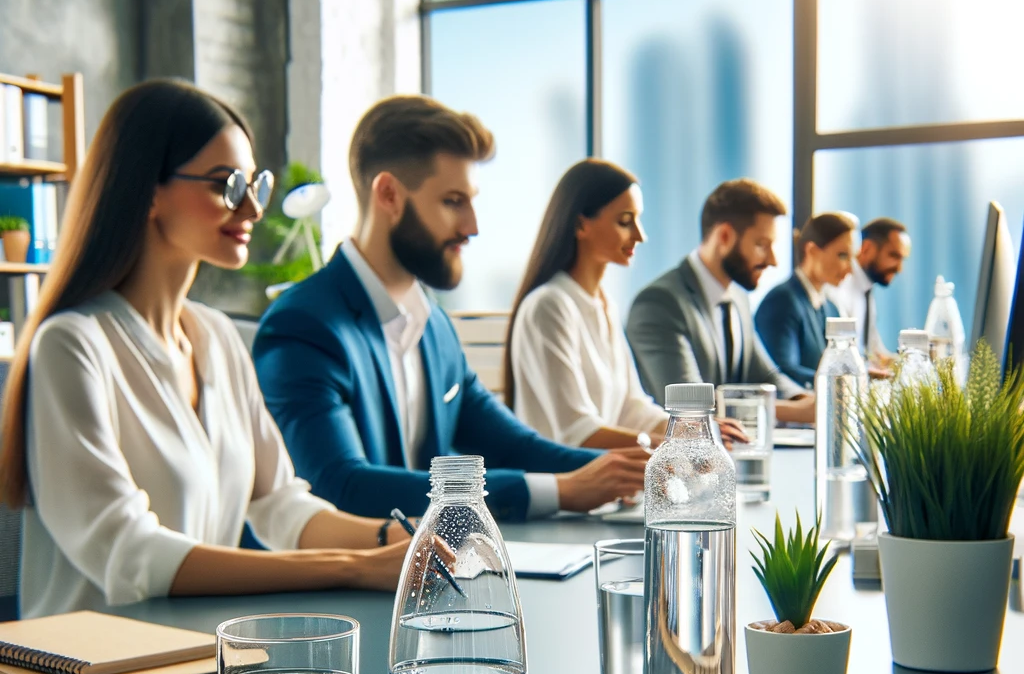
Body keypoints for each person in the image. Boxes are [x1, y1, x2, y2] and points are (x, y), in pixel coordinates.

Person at [0, 80, 414, 620]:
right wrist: (353, 567)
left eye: (255, 185)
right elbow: (132, 555)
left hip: (199, 661)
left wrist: (395, 540)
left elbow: (279, 505)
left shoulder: (216, 337)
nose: (252, 208)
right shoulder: (72, 346)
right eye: (227, 185)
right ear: (148, 189)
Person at [253, 96, 647, 523]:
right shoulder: (304, 326)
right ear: (388, 194)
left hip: (435, 579)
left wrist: (634, 466)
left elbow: (515, 446)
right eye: (454, 201)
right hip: (344, 585)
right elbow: (339, 485)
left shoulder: (435, 325)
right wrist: (559, 490)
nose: (473, 226)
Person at [505, 159, 747, 450]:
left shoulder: (604, 305)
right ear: (581, 224)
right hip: (564, 484)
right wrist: (671, 444)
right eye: (624, 221)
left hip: (606, 483)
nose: (640, 235)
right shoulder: (549, 307)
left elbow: (631, 407)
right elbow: (575, 432)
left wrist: (690, 428)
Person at [625, 178, 814, 422]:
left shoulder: (738, 298)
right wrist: (797, 412)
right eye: (761, 245)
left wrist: (806, 401)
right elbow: (688, 403)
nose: (773, 260)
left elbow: (766, 375)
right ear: (724, 236)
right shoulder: (659, 303)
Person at [754, 212, 856, 388]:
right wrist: (842, 382)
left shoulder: (830, 306)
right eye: (842, 256)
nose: (850, 268)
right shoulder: (781, 301)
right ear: (812, 251)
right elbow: (781, 371)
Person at [829, 216, 911, 368]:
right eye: (894, 256)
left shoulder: (866, 289)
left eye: (902, 259)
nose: (899, 268)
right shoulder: (840, 286)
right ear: (867, 248)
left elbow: (875, 353)